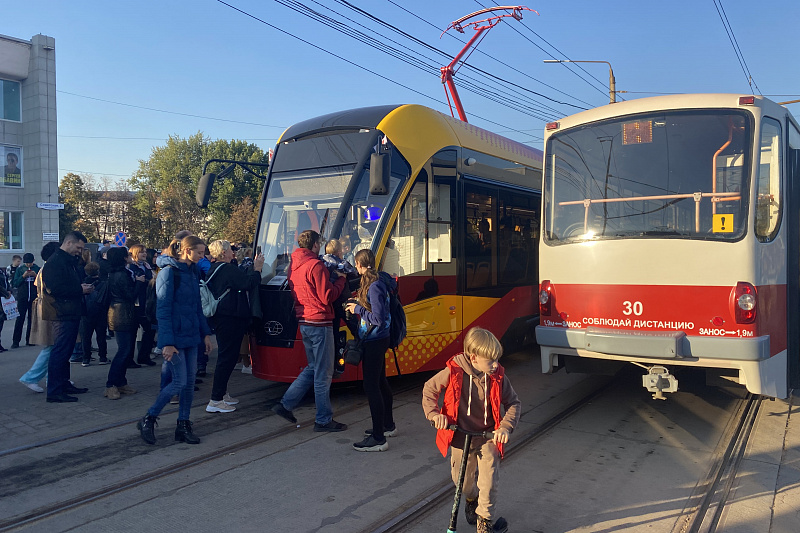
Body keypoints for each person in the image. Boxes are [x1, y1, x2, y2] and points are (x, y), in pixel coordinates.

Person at [422, 327, 521, 533]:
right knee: (463, 483)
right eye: (490, 361)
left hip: (488, 437)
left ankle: (484, 521)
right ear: (474, 357)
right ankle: (470, 498)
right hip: (460, 436)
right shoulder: (453, 371)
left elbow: (513, 403)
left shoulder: (498, 376)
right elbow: (429, 390)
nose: (495, 365)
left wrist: (505, 427)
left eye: (496, 359)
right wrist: (435, 415)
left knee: (489, 480)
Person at [137, 235, 213, 445]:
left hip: (190, 335)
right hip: (176, 337)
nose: (202, 255)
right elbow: (163, 308)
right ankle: (149, 418)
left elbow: (197, 306)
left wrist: (204, 333)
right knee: (180, 382)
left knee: (188, 384)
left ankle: (183, 424)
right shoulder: (169, 273)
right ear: (186, 251)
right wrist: (166, 343)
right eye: (199, 252)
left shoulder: (191, 271)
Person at [271, 229, 348, 432]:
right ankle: (323, 420)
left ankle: (285, 404)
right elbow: (327, 296)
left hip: (304, 320)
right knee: (323, 373)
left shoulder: (293, 265)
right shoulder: (316, 265)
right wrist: (340, 280)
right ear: (315, 245)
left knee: (313, 367)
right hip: (320, 321)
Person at [345, 249, 396, 452]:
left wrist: (357, 309)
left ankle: (378, 437)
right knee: (381, 382)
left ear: (359, 264)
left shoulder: (374, 286)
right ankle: (387, 425)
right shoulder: (377, 281)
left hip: (374, 340)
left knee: (371, 386)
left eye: (356, 264)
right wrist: (358, 304)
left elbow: (378, 318)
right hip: (379, 339)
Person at [204, 240, 264, 413]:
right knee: (227, 357)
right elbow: (247, 283)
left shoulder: (214, 268)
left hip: (222, 317)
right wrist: (257, 269)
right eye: (230, 250)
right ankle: (215, 400)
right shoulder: (227, 269)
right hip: (230, 318)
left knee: (227, 356)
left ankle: (222, 394)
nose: (233, 252)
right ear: (223, 253)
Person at [41, 231, 94, 403]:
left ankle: (63, 384)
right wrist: (80, 290)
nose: (80, 251)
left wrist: (80, 287)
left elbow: (66, 284)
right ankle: (55, 391)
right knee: (60, 351)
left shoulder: (66, 261)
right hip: (62, 312)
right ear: (69, 243)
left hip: (69, 310)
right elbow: (55, 289)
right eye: (78, 247)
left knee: (65, 351)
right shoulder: (55, 262)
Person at [19, 242, 60, 392]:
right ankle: (31, 377)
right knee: (52, 346)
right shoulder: (49, 269)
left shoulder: (44, 268)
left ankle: (52, 378)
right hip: (49, 309)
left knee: (53, 346)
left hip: (46, 308)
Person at [104, 247, 138, 400]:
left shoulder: (115, 273)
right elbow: (129, 294)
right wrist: (139, 283)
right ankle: (111, 384)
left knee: (127, 349)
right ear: (123, 258)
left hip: (122, 312)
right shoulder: (121, 275)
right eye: (128, 255)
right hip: (121, 313)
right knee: (123, 350)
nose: (130, 257)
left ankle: (120, 382)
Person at [128, 244, 156, 366]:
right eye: (141, 252)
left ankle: (144, 356)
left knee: (150, 330)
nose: (144, 254)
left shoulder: (147, 267)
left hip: (148, 303)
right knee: (132, 332)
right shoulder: (131, 268)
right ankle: (129, 359)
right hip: (136, 303)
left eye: (145, 252)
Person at [81, 262, 108, 366]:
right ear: (98, 271)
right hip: (100, 312)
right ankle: (103, 357)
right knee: (101, 336)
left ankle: (86, 358)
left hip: (86, 312)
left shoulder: (83, 284)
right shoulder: (103, 283)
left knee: (86, 337)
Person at [11, 252, 40, 348]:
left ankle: (30, 339)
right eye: (27, 263)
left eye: (30, 263)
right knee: (20, 319)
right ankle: (16, 341)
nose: (28, 265)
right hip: (22, 297)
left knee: (32, 319)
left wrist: (35, 276)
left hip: (33, 297)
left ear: (33, 261)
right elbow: (15, 283)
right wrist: (23, 277)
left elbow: (41, 282)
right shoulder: (20, 269)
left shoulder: (37, 269)